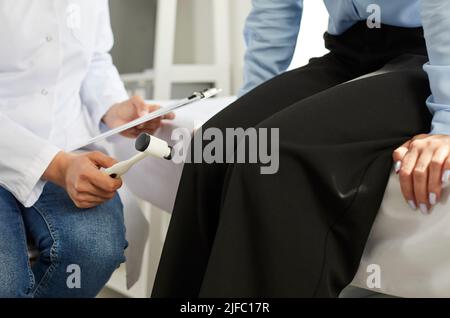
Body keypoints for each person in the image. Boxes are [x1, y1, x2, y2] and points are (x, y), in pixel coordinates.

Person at [152, 0, 450, 297]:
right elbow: (275, 7)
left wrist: (447, 123)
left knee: (277, 155)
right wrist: (253, 102)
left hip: (433, 52)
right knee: (218, 143)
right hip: (351, 48)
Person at [0, 0, 172, 298]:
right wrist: (57, 166)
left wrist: (111, 108)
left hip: (67, 142)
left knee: (95, 251)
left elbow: (94, 58)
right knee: (6, 282)